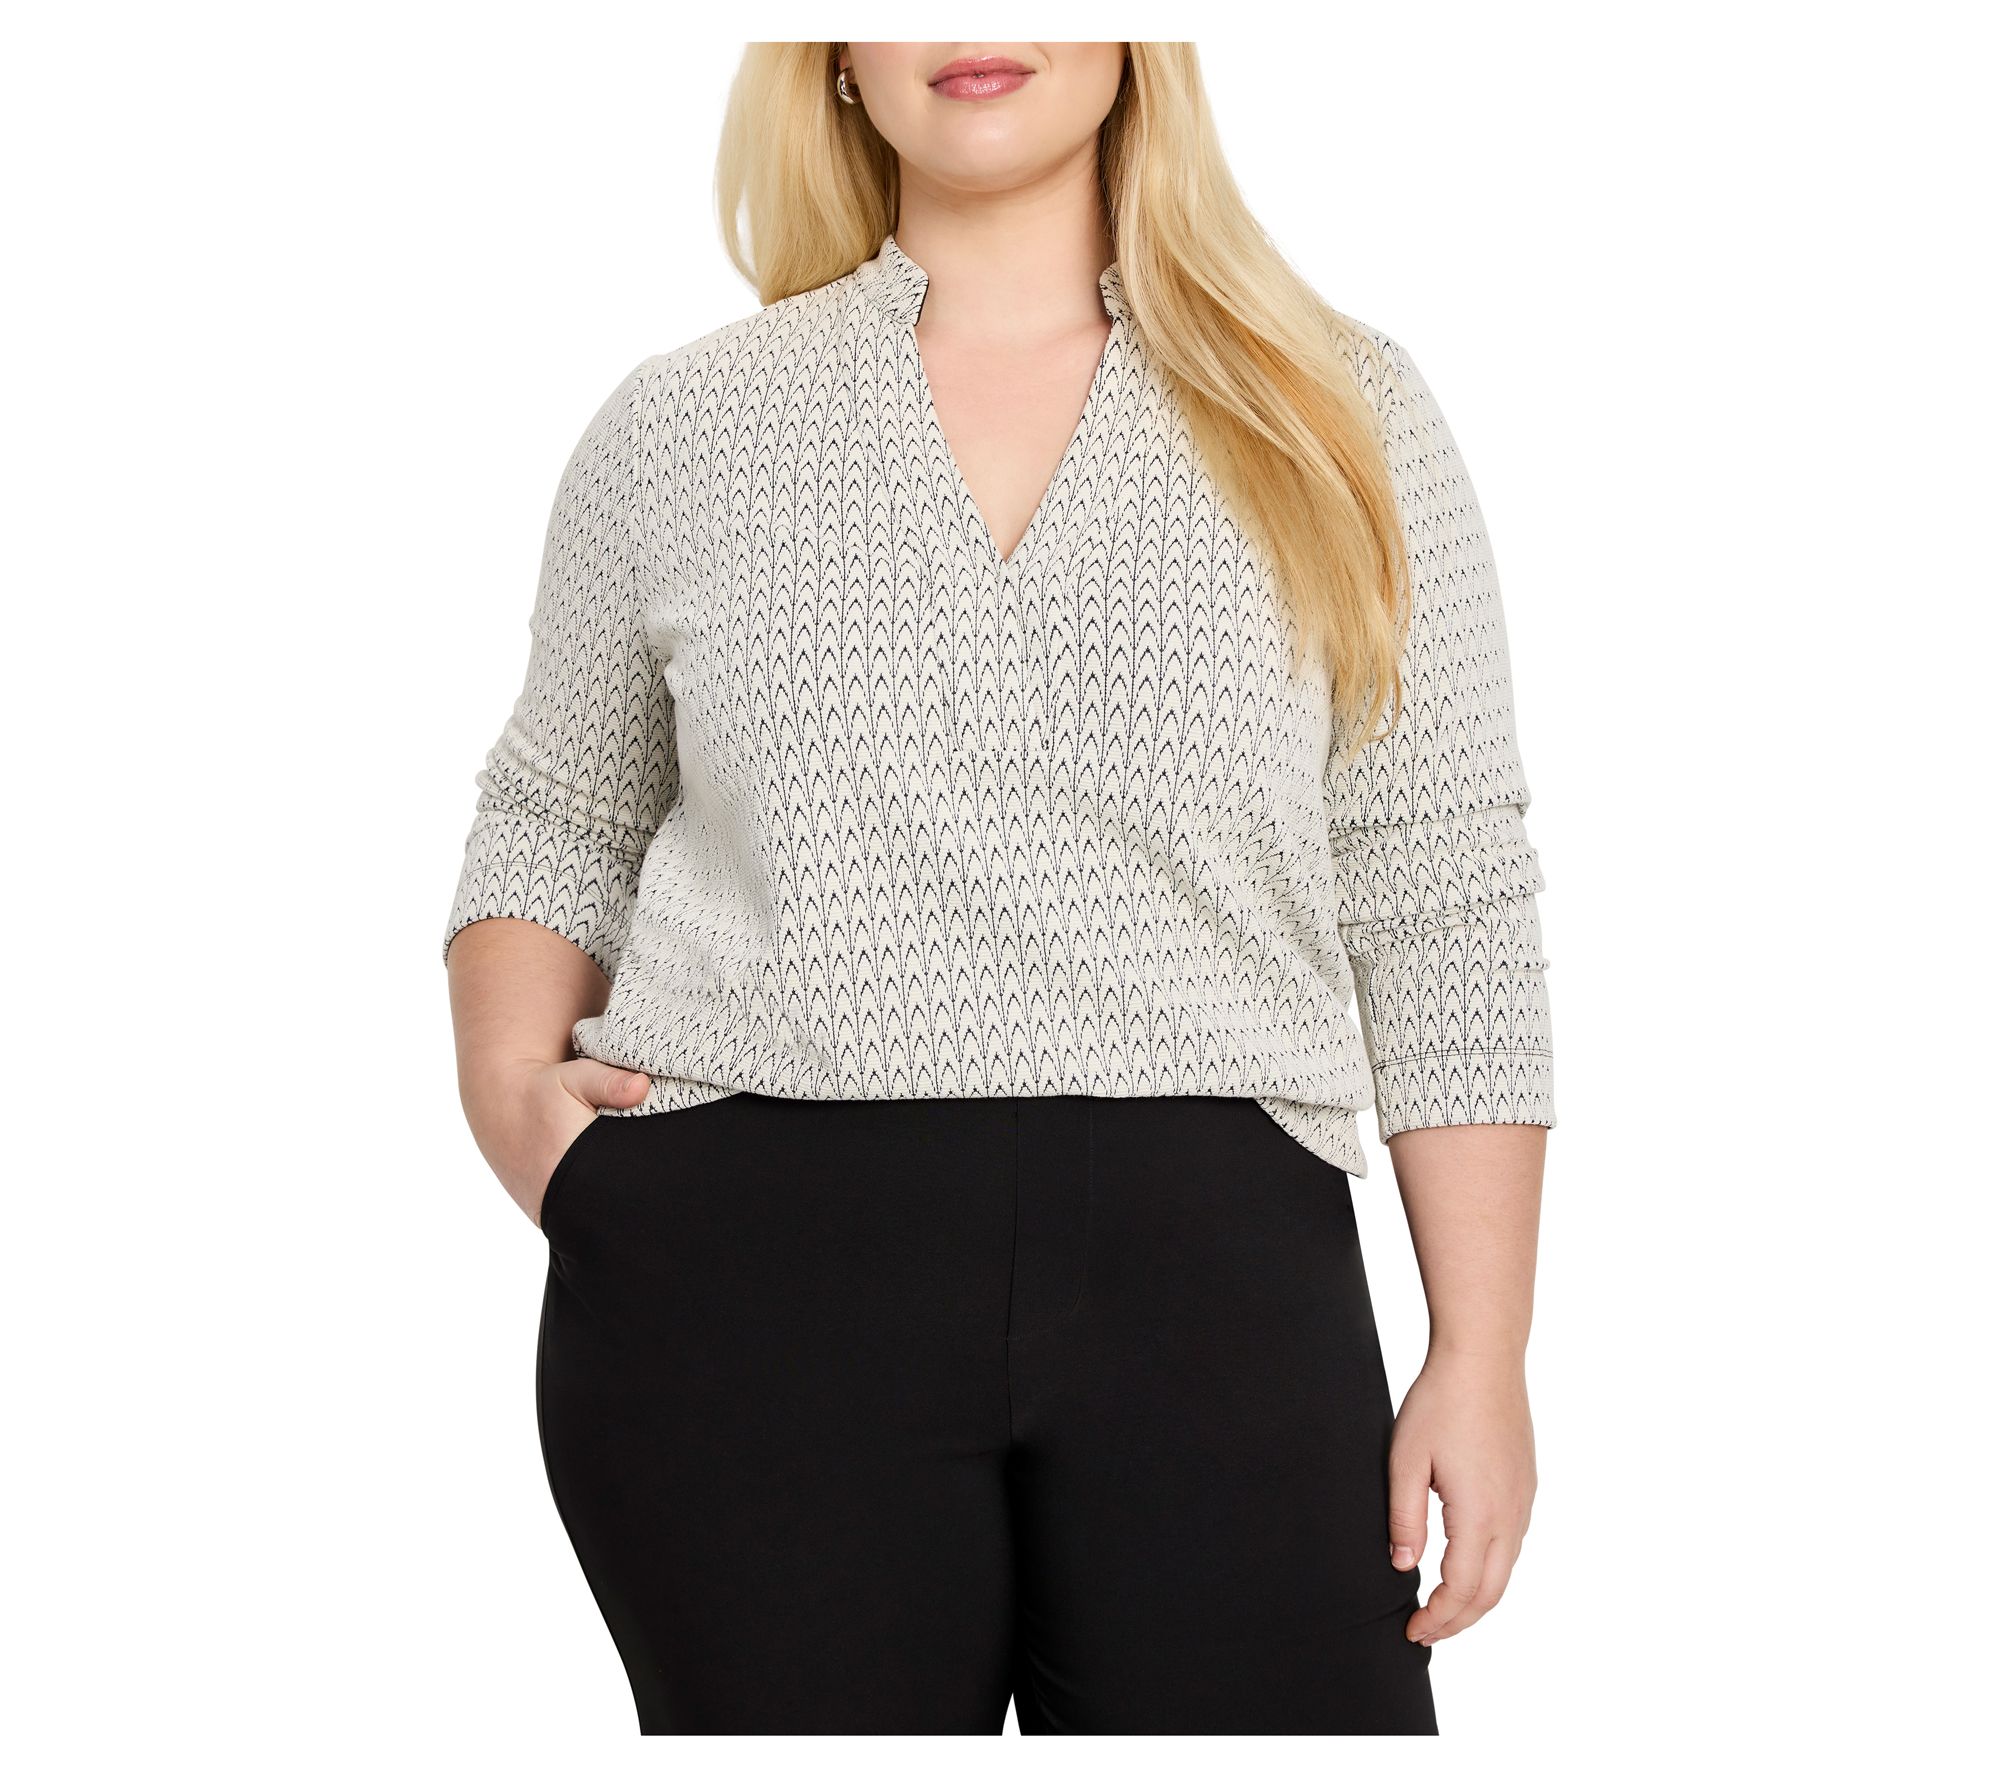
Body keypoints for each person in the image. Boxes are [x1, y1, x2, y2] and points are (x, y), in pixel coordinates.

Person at [441, 41, 1554, 1735]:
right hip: (754, 1287)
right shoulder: (684, 427)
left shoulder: (1340, 406)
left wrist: (1482, 1349)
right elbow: (556, 816)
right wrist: (522, 1109)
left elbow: (1441, 879)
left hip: (1219, 1277)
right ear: (835, 60)